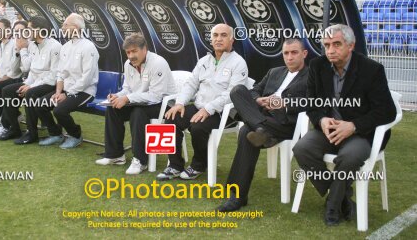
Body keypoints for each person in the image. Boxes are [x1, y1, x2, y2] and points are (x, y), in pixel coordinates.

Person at [293, 24, 397, 226]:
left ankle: (333, 204)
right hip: (328, 131)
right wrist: (322, 120)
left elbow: (386, 111)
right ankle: (341, 197)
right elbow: (311, 103)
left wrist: (353, 125)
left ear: (351, 45)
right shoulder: (317, 66)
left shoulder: (372, 70)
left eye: (336, 44)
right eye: (326, 45)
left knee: (349, 157)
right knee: (302, 149)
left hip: (360, 133)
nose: (330, 50)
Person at [216, 39, 309, 212]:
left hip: (286, 124)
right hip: (263, 117)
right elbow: (253, 91)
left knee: (245, 132)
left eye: (294, 52)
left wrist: (282, 103)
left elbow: (312, 102)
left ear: (304, 54)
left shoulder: (312, 76)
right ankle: (260, 128)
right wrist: (259, 100)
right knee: (237, 90)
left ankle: (237, 196)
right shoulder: (274, 72)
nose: (289, 57)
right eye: (286, 53)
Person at [156, 24, 248, 181]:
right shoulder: (204, 60)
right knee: (171, 119)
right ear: (211, 39)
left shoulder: (238, 63)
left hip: (223, 112)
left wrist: (209, 109)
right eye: (216, 35)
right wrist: (180, 103)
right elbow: (191, 84)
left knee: (198, 127)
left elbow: (232, 94)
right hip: (199, 107)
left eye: (223, 35)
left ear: (231, 39)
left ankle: (199, 165)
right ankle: (175, 165)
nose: (219, 39)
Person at [96, 33, 176, 174]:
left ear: (144, 49)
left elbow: (156, 96)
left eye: (134, 51)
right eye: (128, 52)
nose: (131, 56)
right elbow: (127, 88)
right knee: (113, 109)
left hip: (164, 105)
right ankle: (115, 155)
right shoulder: (128, 64)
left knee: (138, 113)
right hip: (140, 101)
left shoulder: (158, 63)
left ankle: (140, 161)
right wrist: (117, 96)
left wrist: (127, 99)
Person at [35, 13, 99, 149]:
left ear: (75, 27)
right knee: (40, 104)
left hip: (84, 91)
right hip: (66, 89)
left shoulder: (88, 47)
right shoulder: (65, 47)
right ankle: (56, 134)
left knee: (59, 111)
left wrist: (67, 94)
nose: (62, 27)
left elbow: (86, 79)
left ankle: (76, 135)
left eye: (65, 25)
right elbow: (61, 73)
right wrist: (58, 91)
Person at [0, 17, 61, 144]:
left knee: (30, 93)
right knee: (7, 90)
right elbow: (30, 69)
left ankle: (32, 134)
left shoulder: (55, 46)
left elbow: (54, 75)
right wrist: (21, 49)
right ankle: (14, 129)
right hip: (35, 83)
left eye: (29, 29)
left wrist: (30, 87)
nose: (27, 32)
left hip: (51, 84)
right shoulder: (32, 45)